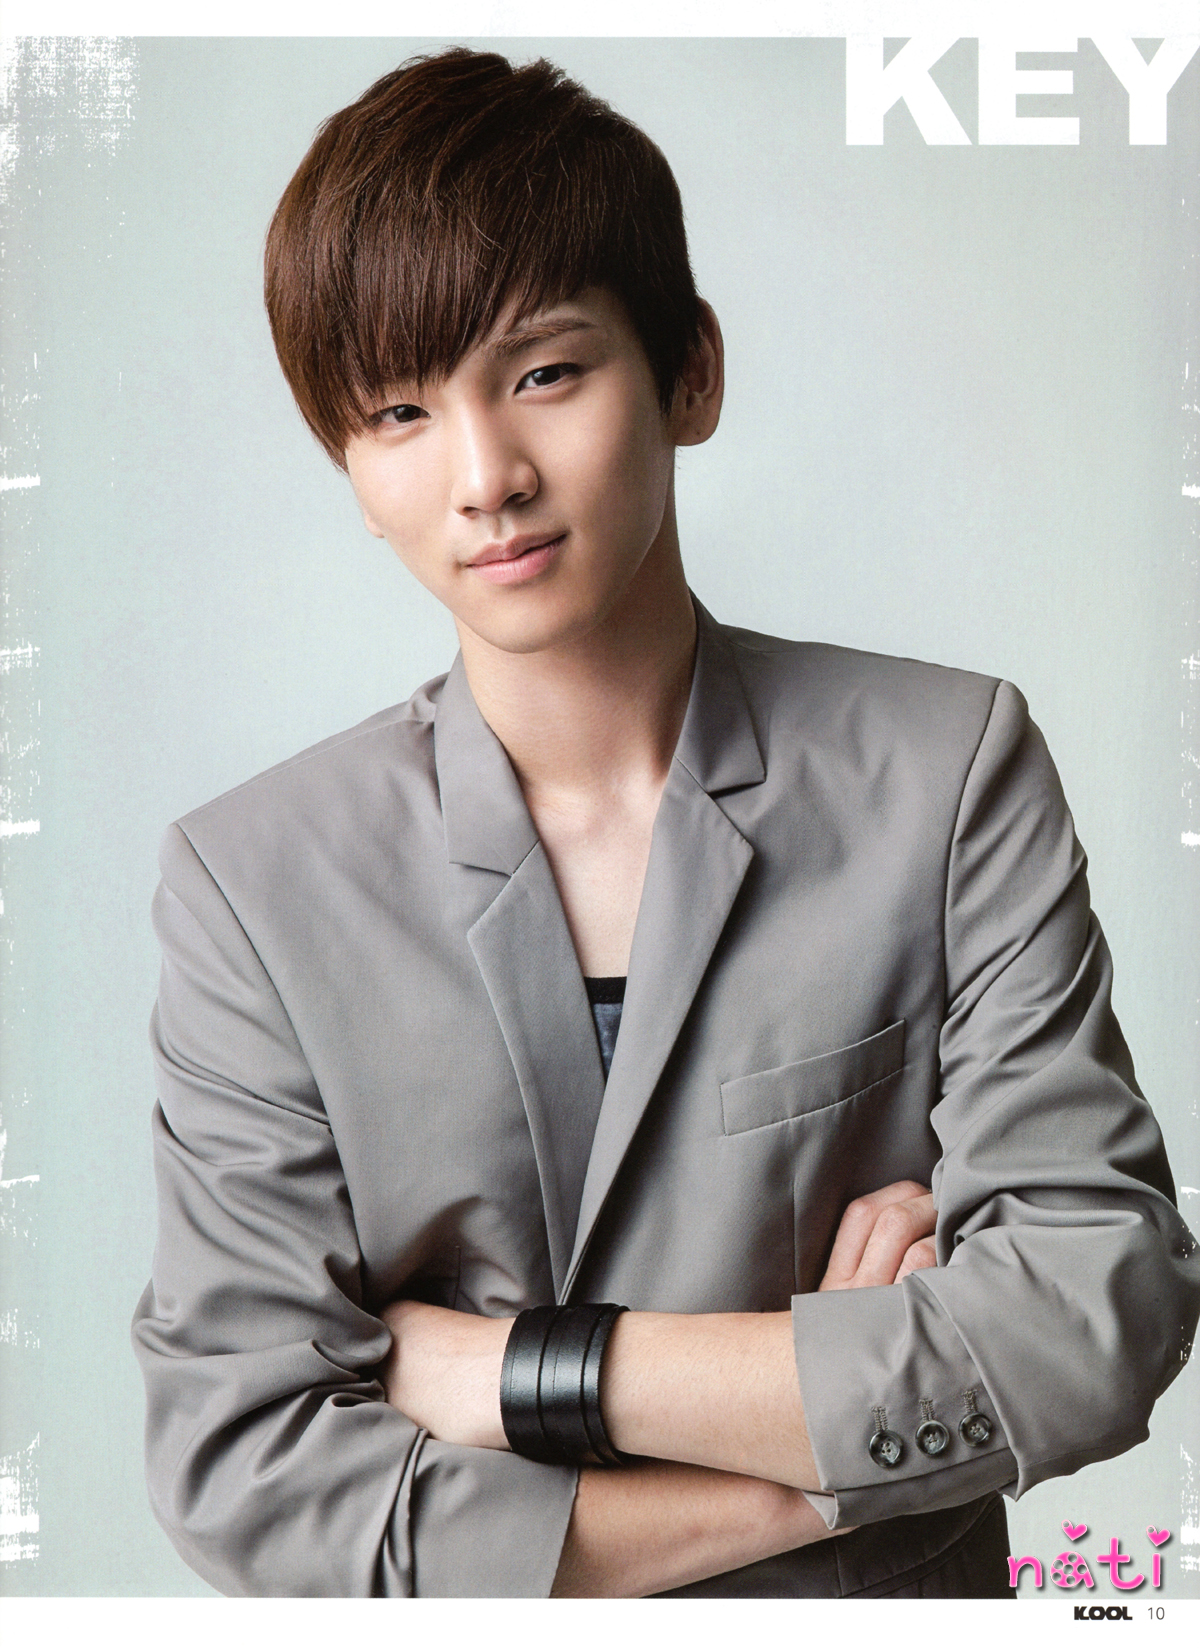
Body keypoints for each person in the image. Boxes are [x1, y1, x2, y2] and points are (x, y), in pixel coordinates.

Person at [131, 47, 1200, 1599]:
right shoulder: (254, 885)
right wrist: (827, 1474)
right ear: (353, 472)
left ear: (691, 373)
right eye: (401, 411)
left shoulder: (945, 770)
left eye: (545, 374)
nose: (486, 478)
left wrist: (516, 1372)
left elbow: (1098, 1317)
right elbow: (250, 1478)